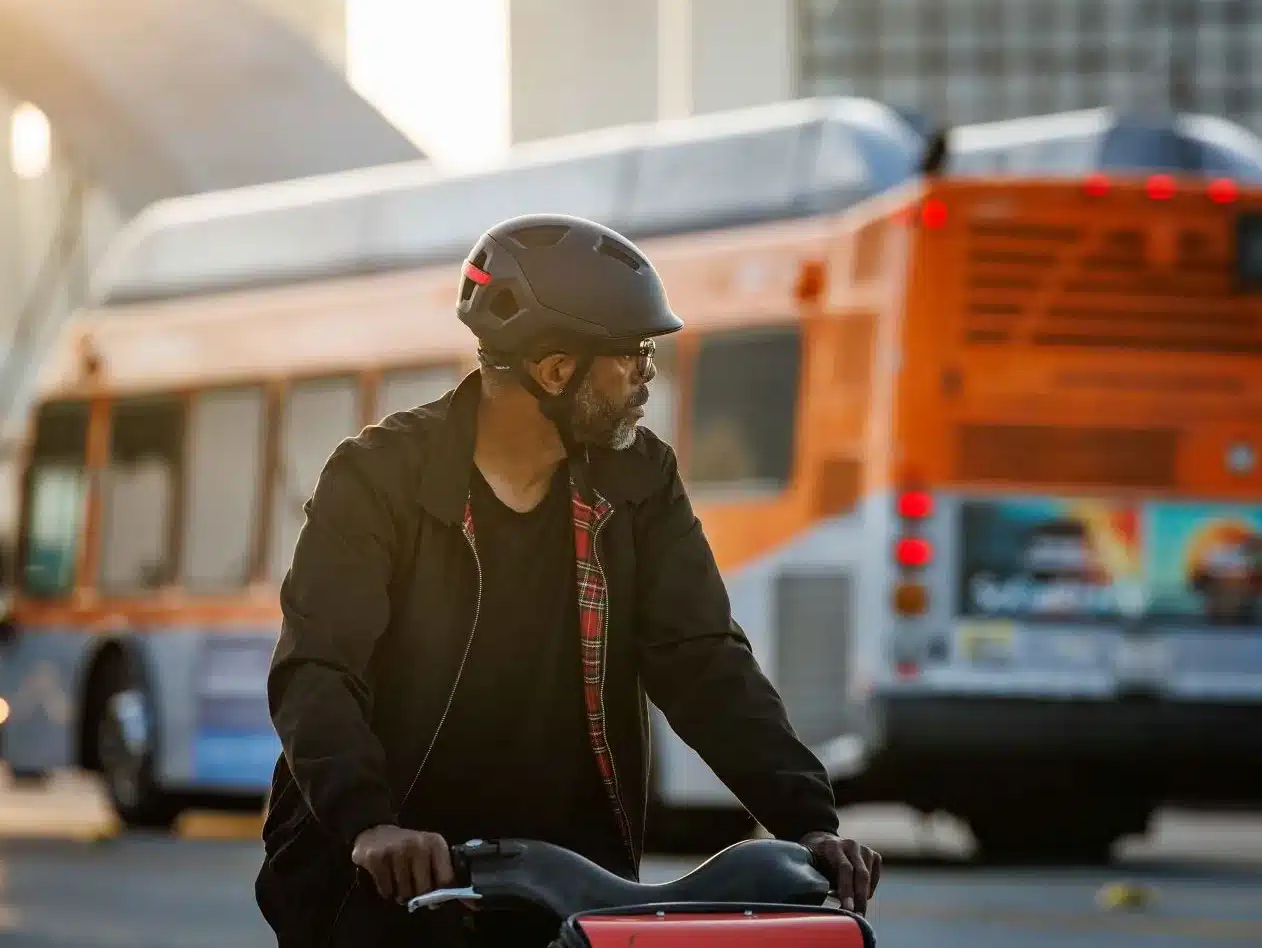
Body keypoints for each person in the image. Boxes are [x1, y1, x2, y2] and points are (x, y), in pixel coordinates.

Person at [254, 214, 881, 947]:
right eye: (633, 355)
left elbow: (704, 661)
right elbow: (318, 667)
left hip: (574, 893)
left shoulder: (639, 481)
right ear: (556, 371)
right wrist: (371, 824)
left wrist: (808, 820)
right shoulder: (380, 478)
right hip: (390, 881)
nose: (649, 376)